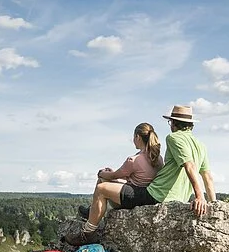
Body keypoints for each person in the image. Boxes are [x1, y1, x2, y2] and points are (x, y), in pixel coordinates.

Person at [72, 105, 216, 244]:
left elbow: (188, 165)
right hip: (178, 198)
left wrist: (199, 196)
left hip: (156, 195)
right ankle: (92, 215)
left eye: (170, 122)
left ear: (173, 123)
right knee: (112, 188)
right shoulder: (200, 146)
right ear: (190, 124)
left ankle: (87, 234)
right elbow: (207, 176)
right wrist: (213, 204)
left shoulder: (173, 138)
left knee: (102, 189)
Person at [78, 122, 163, 219]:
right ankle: (91, 210)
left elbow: (114, 176)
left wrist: (102, 173)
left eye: (134, 137)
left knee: (101, 181)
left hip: (132, 198)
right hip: (148, 196)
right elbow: (135, 174)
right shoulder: (158, 158)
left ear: (137, 137)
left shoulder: (134, 160)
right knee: (107, 180)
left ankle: (91, 215)